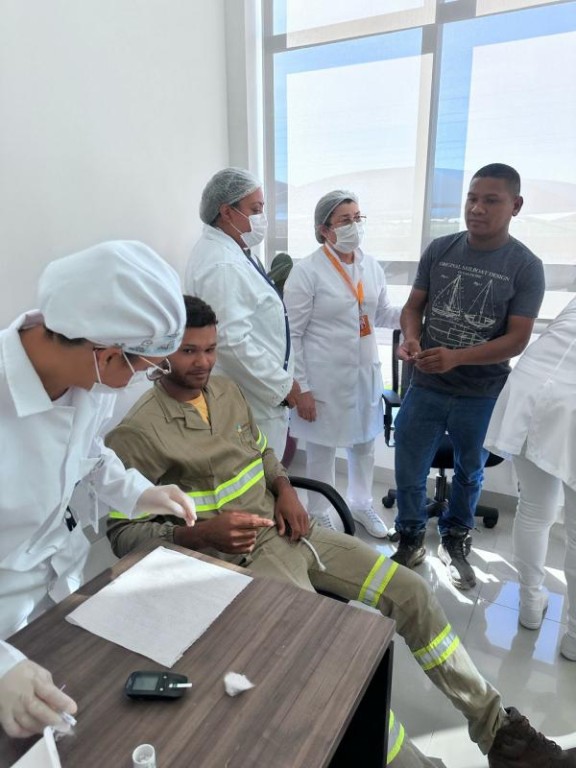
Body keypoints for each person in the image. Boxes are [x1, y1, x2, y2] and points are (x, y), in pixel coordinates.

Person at [104, 295, 575, 768]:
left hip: (292, 531)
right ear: (161, 351)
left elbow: (262, 453)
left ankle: (501, 735)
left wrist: (285, 487)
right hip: (239, 563)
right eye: (189, 351)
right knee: (329, 658)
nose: (204, 362)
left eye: (210, 349)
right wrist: (201, 535)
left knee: (412, 593)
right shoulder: (139, 432)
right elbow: (123, 535)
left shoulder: (226, 392)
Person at [0, 241, 196, 739]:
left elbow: (88, 453)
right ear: (107, 355)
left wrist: (140, 492)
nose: (143, 379)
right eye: (145, 368)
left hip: (56, 591)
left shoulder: (88, 376)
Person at [391, 163, 545, 590]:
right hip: (426, 385)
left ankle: (455, 537)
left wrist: (457, 358)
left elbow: (517, 339)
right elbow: (412, 308)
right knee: (409, 465)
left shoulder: (526, 266)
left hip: (482, 393)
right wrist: (412, 338)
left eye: (491, 200)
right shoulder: (441, 249)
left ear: (515, 205)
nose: (477, 208)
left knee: (470, 471)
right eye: (472, 199)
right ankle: (410, 537)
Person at [283, 190, 400, 537]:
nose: (355, 225)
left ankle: (361, 504)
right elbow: (292, 334)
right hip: (323, 379)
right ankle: (319, 512)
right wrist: (301, 388)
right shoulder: (307, 271)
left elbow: (382, 314)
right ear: (324, 229)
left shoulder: (371, 266)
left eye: (358, 218)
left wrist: (417, 314)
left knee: (364, 445)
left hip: (364, 376)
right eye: (345, 220)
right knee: (322, 450)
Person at [185, 167, 299, 458]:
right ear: (226, 212)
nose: (262, 218)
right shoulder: (222, 264)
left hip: (255, 397)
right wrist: (281, 386)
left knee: (265, 475)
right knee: (259, 477)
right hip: (251, 400)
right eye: (255, 209)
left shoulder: (234, 251)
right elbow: (230, 341)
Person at [484, 296, 576, 652]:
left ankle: (530, 605)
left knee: (535, 510)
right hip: (563, 393)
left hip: (531, 385)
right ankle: (574, 638)